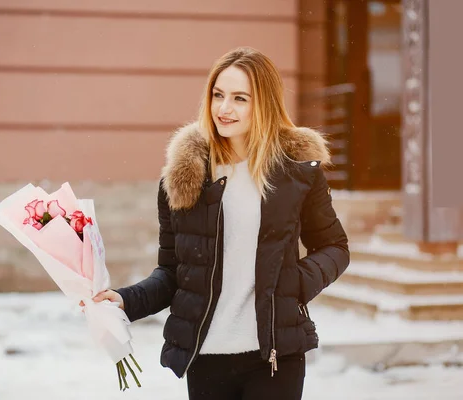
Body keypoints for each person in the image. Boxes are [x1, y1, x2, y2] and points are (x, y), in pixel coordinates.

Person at [87, 47, 350, 400]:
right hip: (207, 357)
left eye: (240, 98)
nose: (224, 109)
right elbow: (173, 273)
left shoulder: (295, 175)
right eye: (218, 95)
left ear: (264, 104)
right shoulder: (186, 179)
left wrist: (295, 284)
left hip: (273, 359)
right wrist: (124, 300)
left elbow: (334, 247)